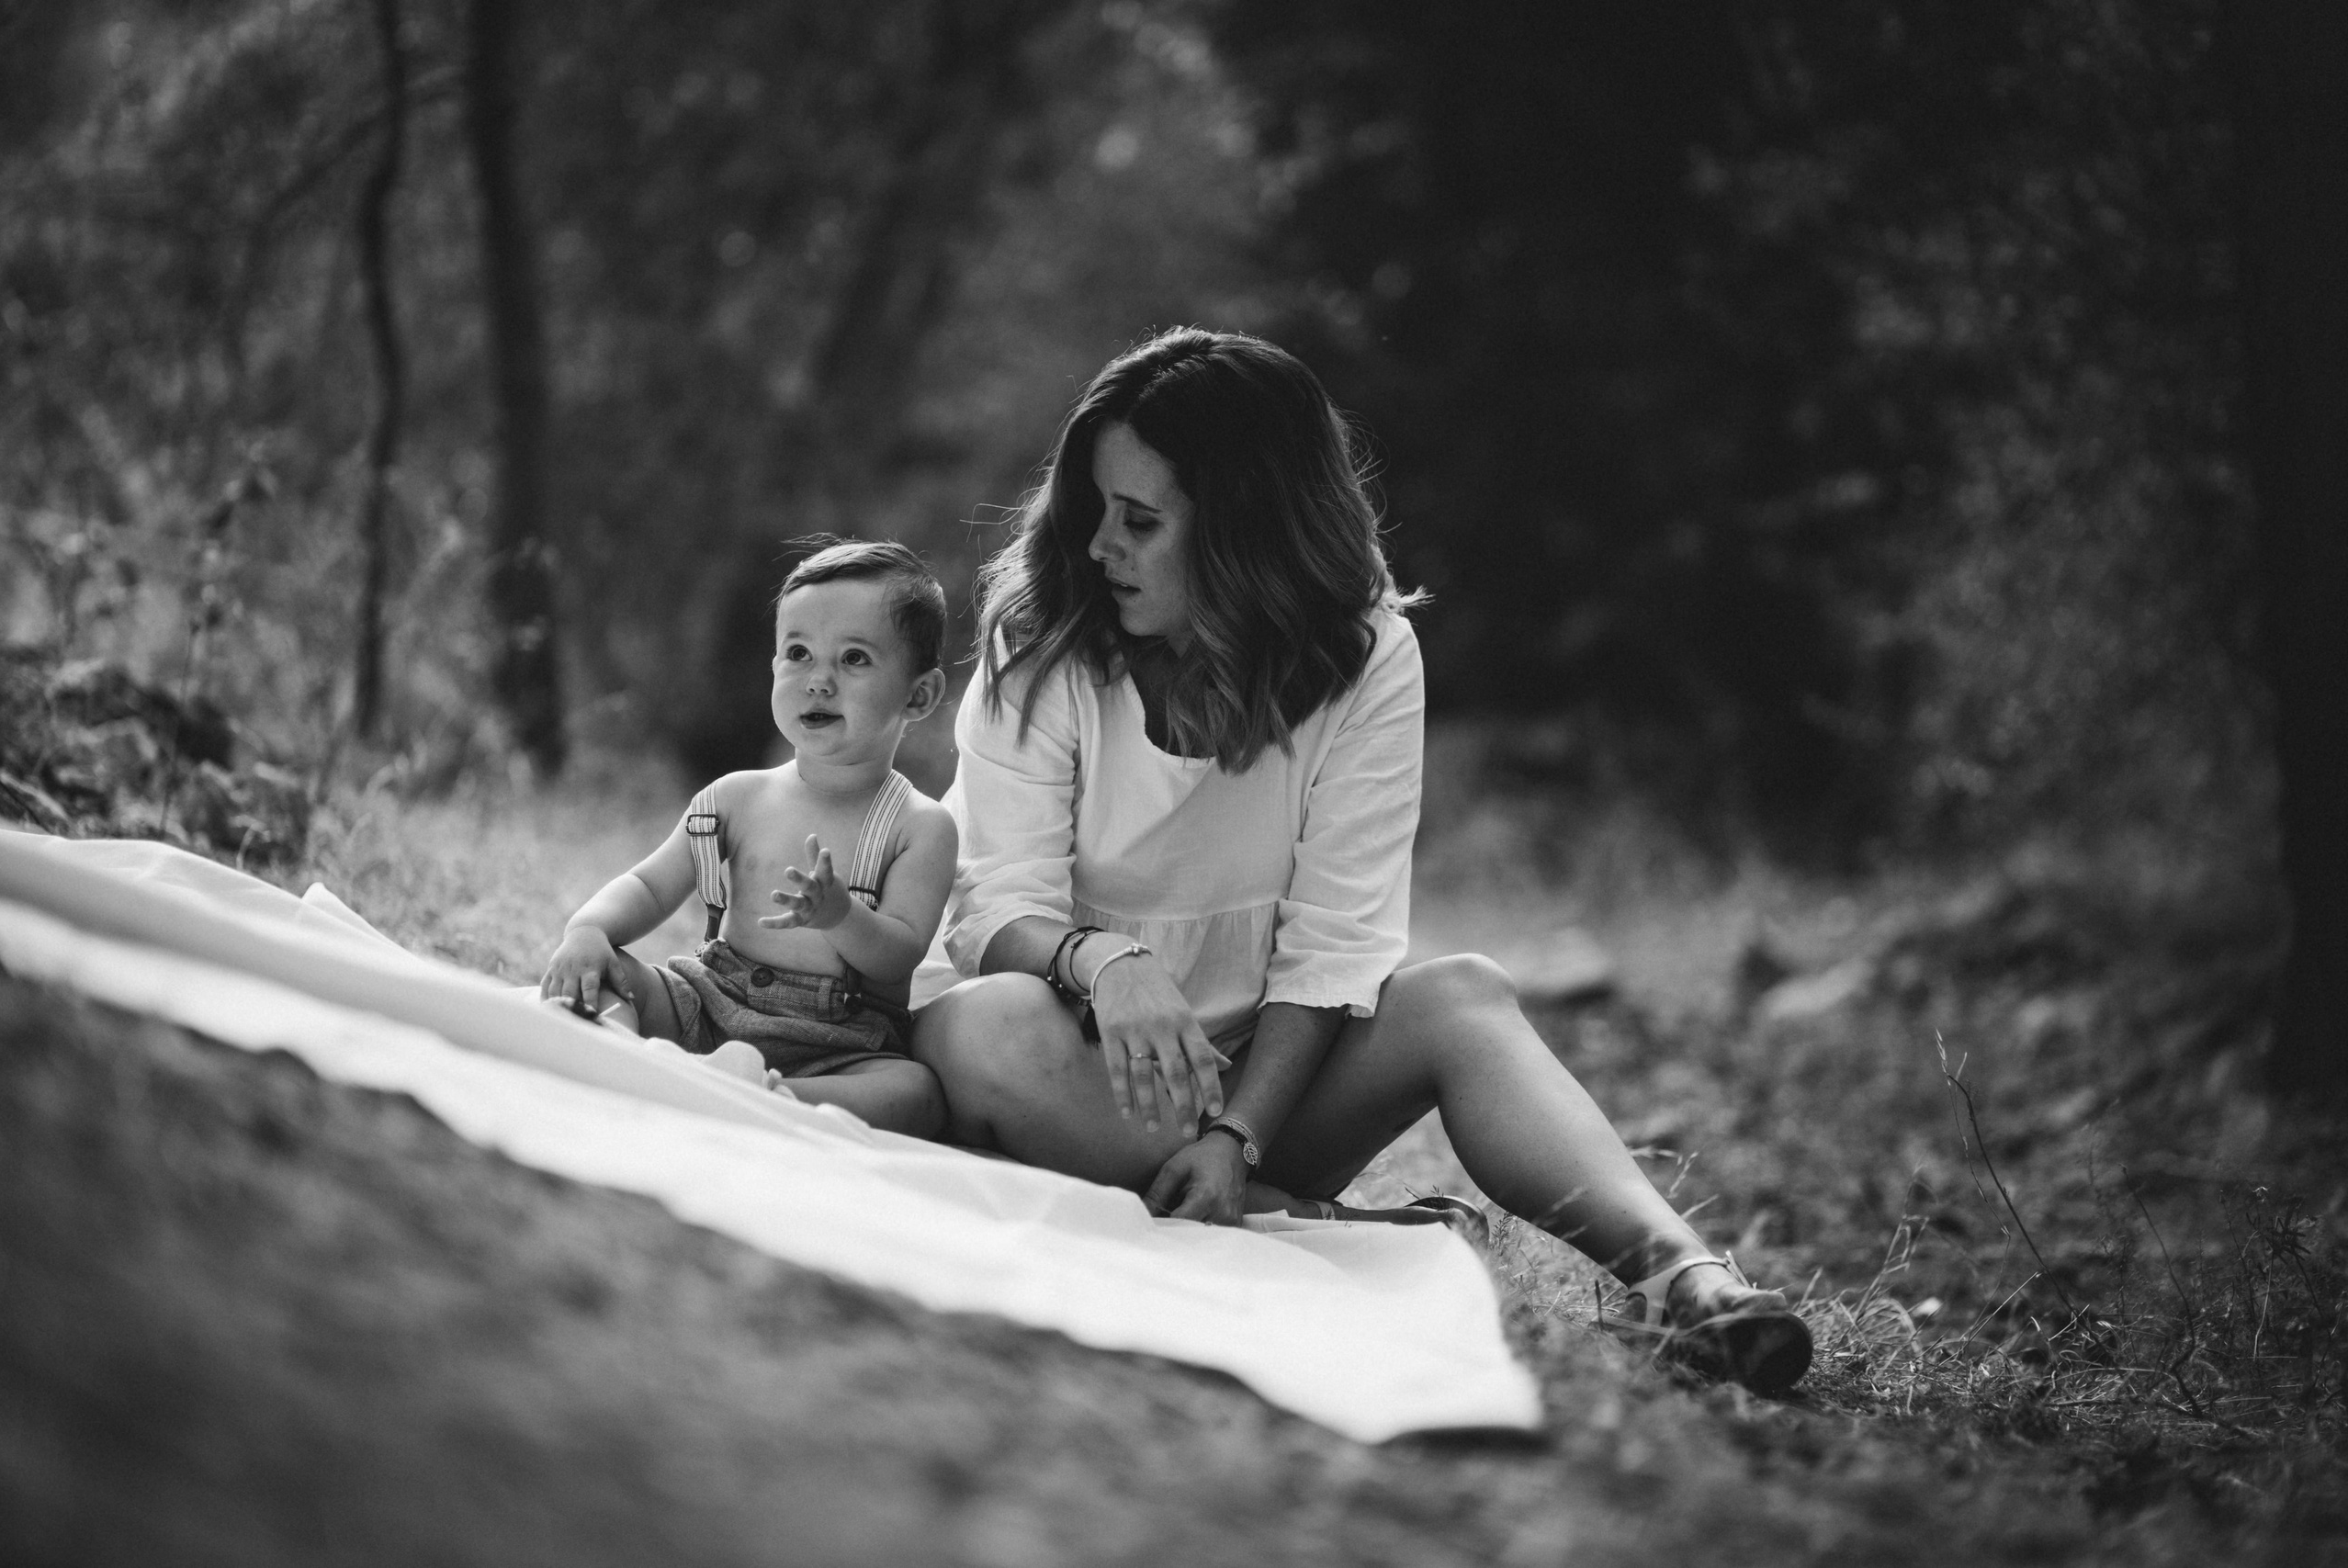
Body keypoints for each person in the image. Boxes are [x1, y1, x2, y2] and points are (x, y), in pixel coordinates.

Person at [909, 329, 1812, 1393]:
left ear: (1247, 535)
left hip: (1255, 1102)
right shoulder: (1047, 636)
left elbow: (1337, 942)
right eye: (1094, 509)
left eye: (1140, 521)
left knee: (1464, 998)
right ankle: (1295, 1223)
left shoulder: (1368, 658)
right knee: (985, 1022)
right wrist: (1103, 964)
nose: (1101, 545)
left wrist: (1241, 1135)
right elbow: (992, 903)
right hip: (1064, 1069)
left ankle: (1686, 1285)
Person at [541, 538, 955, 1138]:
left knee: (914, 1092)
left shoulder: (919, 824)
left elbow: (901, 951)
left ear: (919, 694)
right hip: (710, 1003)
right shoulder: (737, 797)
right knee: (611, 979)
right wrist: (589, 928)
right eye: (798, 653)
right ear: (774, 668)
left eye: (855, 659)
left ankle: (768, 1091)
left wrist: (839, 913)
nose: (819, 680)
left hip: (838, 1044)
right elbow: (650, 883)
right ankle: (649, 1060)